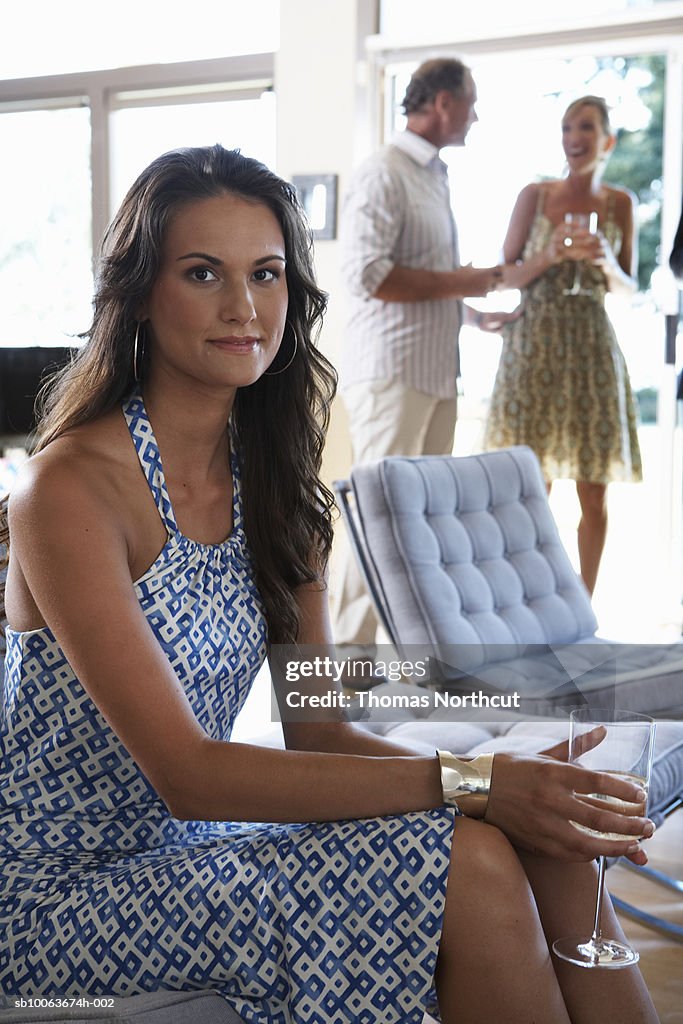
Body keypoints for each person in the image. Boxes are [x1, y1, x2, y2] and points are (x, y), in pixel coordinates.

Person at [0, 144, 659, 1024]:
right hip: (62, 897)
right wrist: (473, 780)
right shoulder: (70, 490)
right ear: (140, 295)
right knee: (474, 862)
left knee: (552, 844)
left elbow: (317, 725)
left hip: (201, 850)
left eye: (265, 274)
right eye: (204, 274)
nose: (243, 307)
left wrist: (508, 789)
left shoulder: (278, 486)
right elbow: (188, 774)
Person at [333, 57, 517, 654]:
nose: (476, 114)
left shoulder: (435, 175)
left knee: (421, 521)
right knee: (378, 516)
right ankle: (344, 670)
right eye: (471, 101)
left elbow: (420, 279)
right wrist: (466, 284)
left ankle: (403, 662)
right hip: (392, 374)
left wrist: (468, 312)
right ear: (441, 101)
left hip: (436, 374)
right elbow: (369, 275)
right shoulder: (383, 171)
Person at [483, 95, 642, 596]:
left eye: (587, 128)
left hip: (592, 349)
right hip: (533, 348)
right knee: (532, 485)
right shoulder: (534, 195)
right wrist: (549, 255)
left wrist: (607, 265)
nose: (574, 137)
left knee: (593, 488)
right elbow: (504, 276)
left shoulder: (621, 203)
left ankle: (584, 608)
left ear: (607, 140)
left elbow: (629, 286)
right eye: (568, 127)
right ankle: (535, 601)